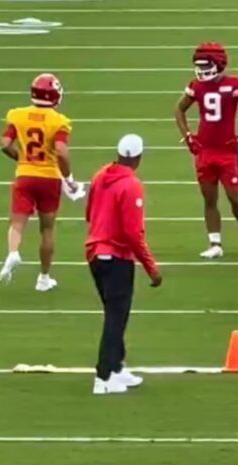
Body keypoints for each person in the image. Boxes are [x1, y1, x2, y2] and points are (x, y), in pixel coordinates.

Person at [85, 134, 161, 395]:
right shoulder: (131, 185)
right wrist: (151, 267)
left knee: (114, 314)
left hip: (95, 252)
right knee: (116, 317)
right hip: (116, 256)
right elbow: (133, 233)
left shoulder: (100, 175)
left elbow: (88, 213)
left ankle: (117, 366)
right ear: (138, 158)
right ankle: (104, 376)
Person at [175, 42, 238, 260]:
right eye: (199, 65)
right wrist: (188, 136)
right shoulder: (196, 85)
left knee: (235, 198)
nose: (202, 70)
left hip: (227, 151)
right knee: (209, 198)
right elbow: (179, 109)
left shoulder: (233, 84)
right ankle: (215, 243)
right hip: (204, 151)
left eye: (207, 65)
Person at [0, 73, 85, 290]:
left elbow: (5, 143)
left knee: (17, 223)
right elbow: (61, 152)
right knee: (47, 230)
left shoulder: (18, 115)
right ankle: (44, 278)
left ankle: (13, 252)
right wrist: (69, 179)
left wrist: (22, 158)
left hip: (25, 175)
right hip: (49, 178)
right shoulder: (59, 121)